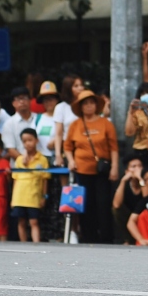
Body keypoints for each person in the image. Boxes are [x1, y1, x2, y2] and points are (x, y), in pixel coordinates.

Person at [63, 90, 118, 244]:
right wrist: (70, 160)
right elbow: (67, 146)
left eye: (91, 103)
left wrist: (114, 168)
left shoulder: (106, 123)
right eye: (85, 103)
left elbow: (114, 148)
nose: (88, 106)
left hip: (102, 171)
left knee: (103, 203)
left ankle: (107, 238)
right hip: (82, 170)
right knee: (86, 205)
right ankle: (88, 237)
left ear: (96, 105)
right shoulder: (75, 125)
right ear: (80, 107)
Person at [12, 128, 50, 242]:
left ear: (36, 141)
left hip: (33, 195)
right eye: (24, 141)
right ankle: (23, 245)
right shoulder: (19, 160)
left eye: (30, 140)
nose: (27, 143)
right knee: (21, 221)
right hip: (19, 196)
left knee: (34, 221)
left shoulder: (42, 159)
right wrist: (12, 200)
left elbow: (45, 179)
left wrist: (44, 196)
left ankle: (36, 244)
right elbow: (15, 179)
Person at [1, 86, 56, 161]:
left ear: (30, 101)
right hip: (20, 168)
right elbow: (10, 149)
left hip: (41, 164)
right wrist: (27, 162)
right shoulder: (9, 124)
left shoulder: (39, 118)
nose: (22, 101)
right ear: (13, 103)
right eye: (18, 99)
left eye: (24, 98)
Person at [124, 83, 148, 168]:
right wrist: (130, 113)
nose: (147, 96)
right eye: (143, 94)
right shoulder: (137, 114)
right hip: (141, 152)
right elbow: (129, 133)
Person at [113, 153, 147, 241]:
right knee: (116, 211)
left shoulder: (145, 182)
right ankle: (126, 239)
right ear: (127, 171)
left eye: (140, 166)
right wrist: (123, 181)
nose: (137, 169)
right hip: (128, 216)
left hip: (142, 215)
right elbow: (116, 205)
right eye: (133, 166)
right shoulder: (124, 184)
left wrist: (140, 179)